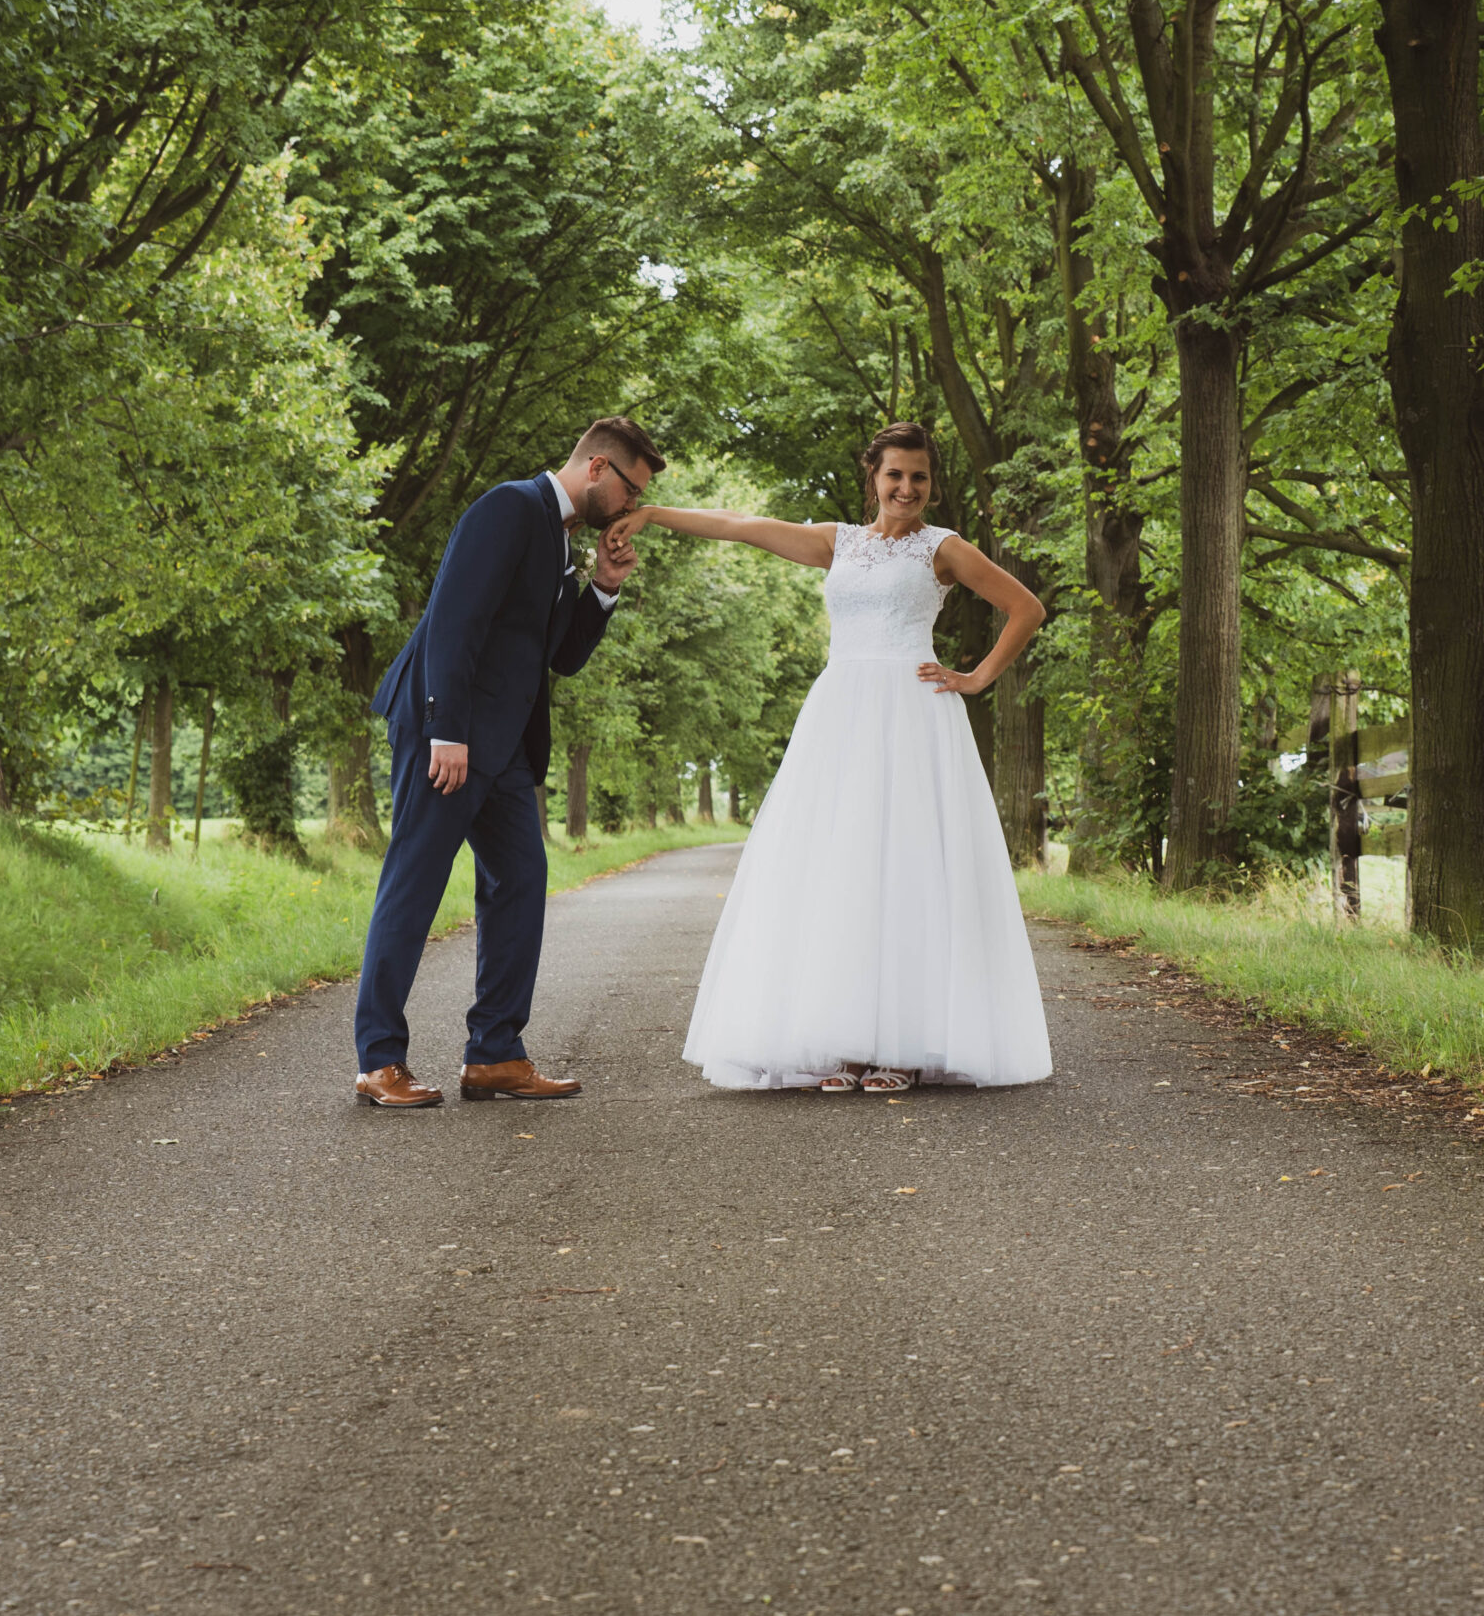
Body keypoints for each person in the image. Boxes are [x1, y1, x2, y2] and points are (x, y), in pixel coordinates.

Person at [610, 421, 1052, 1092]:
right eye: (895, 475)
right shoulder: (837, 544)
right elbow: (740, 523)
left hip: (913, 715)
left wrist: (976, 677)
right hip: (841, 716)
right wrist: (651, 514)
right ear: (873, 478)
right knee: (842, 872)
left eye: (919, 477)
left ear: (931, 485)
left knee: (906, 874)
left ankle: (901, 1048)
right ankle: (849, 1044)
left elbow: (1025, 607)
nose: (907, 488)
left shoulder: (945, 549)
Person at [351, 417, 665, 1109]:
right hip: (451, 734)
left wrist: (605, 587)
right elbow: (455, 618)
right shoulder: (508, 507)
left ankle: (494, 1054)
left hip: (506, 749)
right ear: (597, 470)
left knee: (522, 882)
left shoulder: (558, 541)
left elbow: (560, 657)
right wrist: (446, 729)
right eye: (632, 491)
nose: (633, 509)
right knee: (415, 883)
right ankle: (379, 1061)